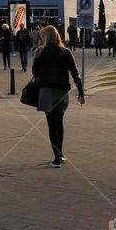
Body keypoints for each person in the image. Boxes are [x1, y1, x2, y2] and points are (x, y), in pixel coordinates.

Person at [32, 25, 85, 167]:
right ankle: (60, 154)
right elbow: (75, 73)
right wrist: (81, 92)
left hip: (47, 91)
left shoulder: (40, 52)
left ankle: (57, 157)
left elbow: (35, 72)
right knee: (59, 123)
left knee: (51, 124)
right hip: (62, 92)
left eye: (42, 36)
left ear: (46, 37)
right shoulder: (66, 52)